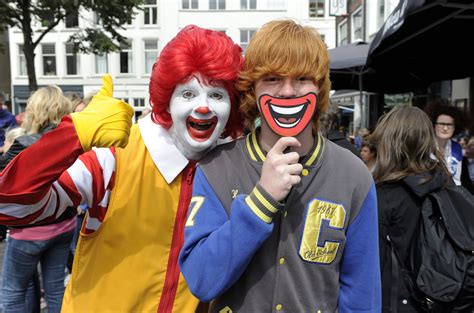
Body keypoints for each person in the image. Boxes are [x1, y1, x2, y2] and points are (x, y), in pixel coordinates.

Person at [0, 25, 243, 312]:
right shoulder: (114, 158)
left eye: (216, 95)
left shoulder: (235, 166)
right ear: (167, 99)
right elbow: (10, 207)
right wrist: (72, 136)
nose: (203, 108)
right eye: (188, 94)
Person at [179, 20, 381, 313]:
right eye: (272, 79)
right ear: (253, 88)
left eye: (301, 78)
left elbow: (362, 294)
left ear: (319, 87)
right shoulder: (217, 167)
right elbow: (201, 279)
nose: (288, 92)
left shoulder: (353, 175)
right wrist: (261, 202)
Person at [0, 86, 75, 313]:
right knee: (55, 290)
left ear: (34, 110)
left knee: (12, 293)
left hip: (29, 231)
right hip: (64, 225)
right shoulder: (73, 142)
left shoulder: (23, 144)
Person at [371, 106, 452, 312]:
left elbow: (371, 265)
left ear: (391, 144)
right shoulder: (447, 183)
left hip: (399, 301)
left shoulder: (383, 194)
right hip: (446, 295)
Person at [425, 102, 464, 185]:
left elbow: (457, 180)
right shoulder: (424, 146)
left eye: (450, 124)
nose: (445, 128)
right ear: (433, 125)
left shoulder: (457, 147)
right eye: (442, 124)